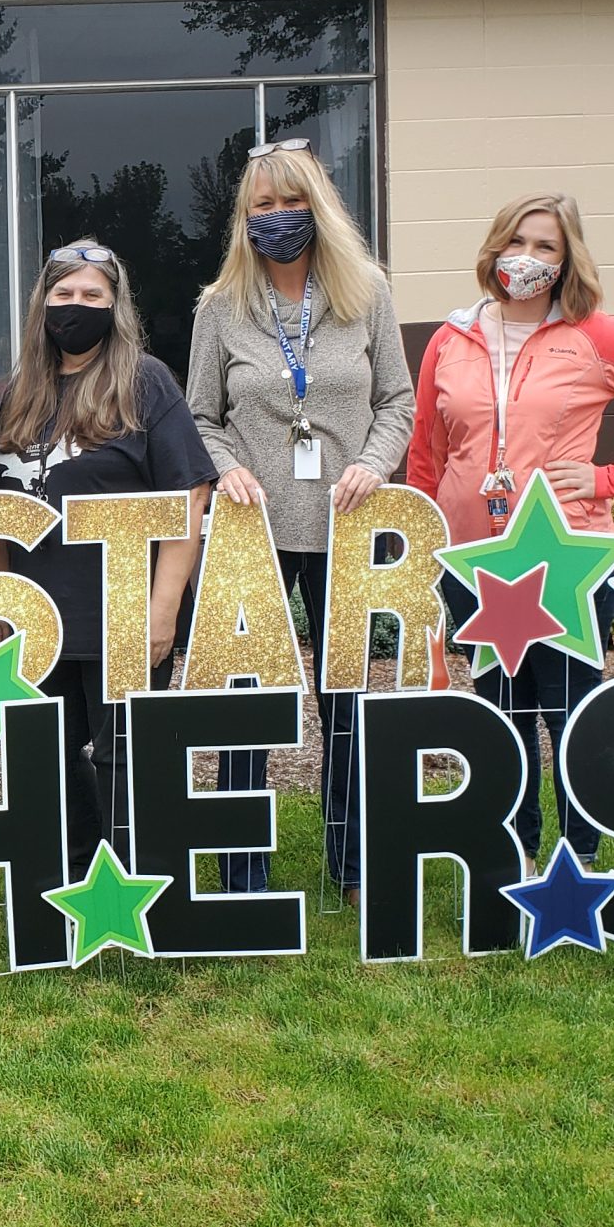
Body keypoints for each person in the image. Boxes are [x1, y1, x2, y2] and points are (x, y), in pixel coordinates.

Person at [407, 192, 614, 864]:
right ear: (494, 248)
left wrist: (610, 478)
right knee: (500, 711)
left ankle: (579, 861)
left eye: (545, 246)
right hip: (473, 556)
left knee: (570, 709)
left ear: (567, 258)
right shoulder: (450, 338)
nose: (527, 257)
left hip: (565, 558)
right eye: (516, 241)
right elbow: (427, 448)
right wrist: (422, 537)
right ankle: (514, 852)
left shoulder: (596, 335)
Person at [187, 139, 415, 898]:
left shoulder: (367, 293)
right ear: (244, 216)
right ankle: (241, 871)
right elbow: (200, 416)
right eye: (264, 204)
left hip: (345, 522)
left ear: (319, 208)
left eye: (293, 202)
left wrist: (374, 463)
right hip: (252, 530)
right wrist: (228, 468)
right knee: (245, 699)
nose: (279, 215)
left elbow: (397, 401)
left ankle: (351, 864)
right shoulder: (220, 307)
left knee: (346, 699)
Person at [0, 243, 215, 878]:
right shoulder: (18, 393)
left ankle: (139, 889)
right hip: (39, 620)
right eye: (63, 294)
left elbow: (189, 494)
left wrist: (163, 609)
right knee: (47, 757)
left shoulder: (145, 381)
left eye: (93, 295)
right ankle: (79, 881)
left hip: (120, 616)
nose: (76, 306)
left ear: (116, 307)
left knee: (126, 759)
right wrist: (2, 603)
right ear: (43, 304)